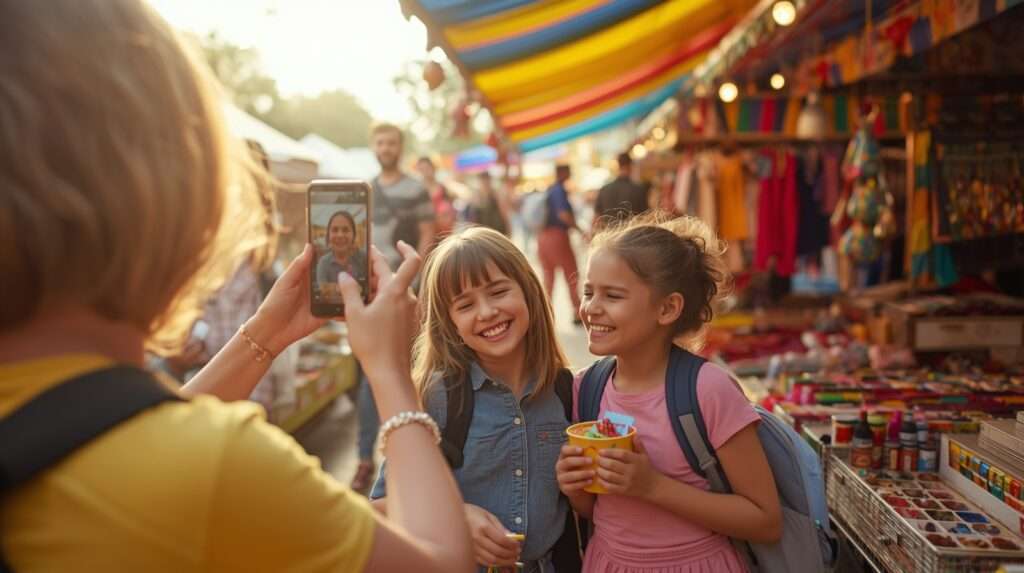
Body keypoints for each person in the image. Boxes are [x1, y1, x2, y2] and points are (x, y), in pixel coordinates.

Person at [0, 3, 475, 572]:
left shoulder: (121, 445)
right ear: (180, 194)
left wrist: (264, 336)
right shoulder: (219, 467)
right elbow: (443, 564)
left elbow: (115, 434)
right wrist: (393, 375)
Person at [556, 213, 782, 572]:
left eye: (612, 295)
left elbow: (765, 520)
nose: (591, 308)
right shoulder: (587, 389)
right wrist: (575, 488)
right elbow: (597, 508)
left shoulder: (708, 389)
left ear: (667, 308)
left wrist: (652, 486)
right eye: (588, 291)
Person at [370, 227, 574, 573]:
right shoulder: (438, 397)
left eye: (498, 292)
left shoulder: (565, 388)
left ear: (527, 289)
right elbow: (380, 505)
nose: (487, 312)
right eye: (465, 305)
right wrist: (457, 516)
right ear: (450, 322)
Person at [348, 123, 438, 492]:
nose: (386, 148)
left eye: (392, 142)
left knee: (395, 369)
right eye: (380, 142)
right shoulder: (364, 190)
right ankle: (371, 458)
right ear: (373, 147)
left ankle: (390, 458)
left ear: (400, 147)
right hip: (368, 292)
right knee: (368, 374)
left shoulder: (415, 189)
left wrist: (411, 281)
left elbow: (428, 233)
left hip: (403, 292)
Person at [538, 164, 585, 325]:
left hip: (543, 238)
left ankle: (544, 313)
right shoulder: (558, 190)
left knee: (548, 277)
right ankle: (577, 311)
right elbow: (563, 214)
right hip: (557, 236)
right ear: (563, 173)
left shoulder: (549, 190)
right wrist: (579, 230)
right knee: (571, 273)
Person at [592, 152, 649, 231]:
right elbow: (645, 217)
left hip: (609, 236)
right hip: (632, 237)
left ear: (618, 165)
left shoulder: (604, 189)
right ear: (630, 166)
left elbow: (596, 219)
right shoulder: (638, 190)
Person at [315, 210, 369, 292]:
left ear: (353, 235)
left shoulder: (364, 258)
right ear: (328, 236)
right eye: (335, 230)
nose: (340, 235)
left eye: (345, 230)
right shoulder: (323, 263)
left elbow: (366, 290)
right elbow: (323, 292)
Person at [416, 156, 457, 245]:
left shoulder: (443, 188)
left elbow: (451, 207)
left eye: (427, 168)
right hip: (426, 233)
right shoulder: (417, 191)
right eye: (422, 169)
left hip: (444, 232)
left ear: (433, 168)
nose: (425, 171)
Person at [466, 171, 510, 236]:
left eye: (486, 180)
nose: (485, 183)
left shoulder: (496, 195)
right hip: (481, 232)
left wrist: (508, 230)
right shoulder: (475, 197)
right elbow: (472, 217)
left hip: (496, 230)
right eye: (482, 180)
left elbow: (504, 214)